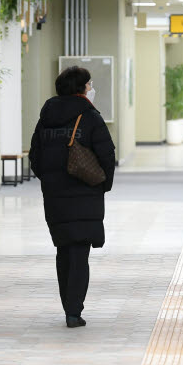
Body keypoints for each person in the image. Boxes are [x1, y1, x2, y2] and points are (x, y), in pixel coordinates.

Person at [29, 66, 116, 328]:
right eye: (89, 84)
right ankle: (74, 311)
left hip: (55, 196)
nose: (91, 88)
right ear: (81, 88)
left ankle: (68, 305)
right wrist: (103, 185)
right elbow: (107, 155)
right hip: (85, 194)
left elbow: (35, 155)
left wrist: (51, 180)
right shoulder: (90, 117)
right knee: (80, 253)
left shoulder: (46, 117)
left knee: (63, 250)